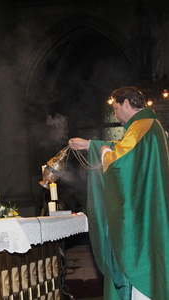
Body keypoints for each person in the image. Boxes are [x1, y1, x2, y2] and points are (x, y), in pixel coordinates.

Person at [68, 86, 169, 300]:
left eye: (115, 108)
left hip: (141, 219)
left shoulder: (142, 126)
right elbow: (125, 148)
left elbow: (119, 162)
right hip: (148, 208)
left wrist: (100, 151)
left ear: (125, 103)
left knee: (139, 266)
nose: (115, 114)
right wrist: (90, 145)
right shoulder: (149, 125)